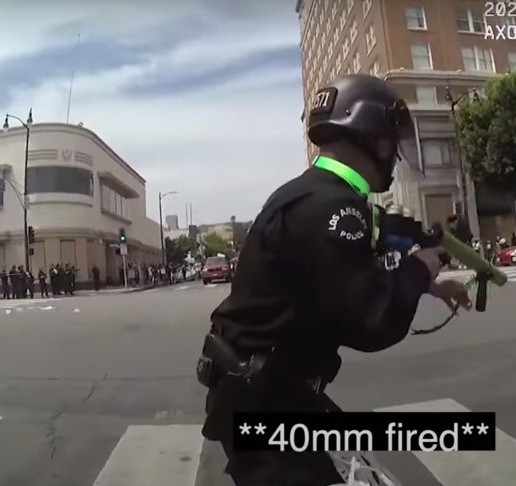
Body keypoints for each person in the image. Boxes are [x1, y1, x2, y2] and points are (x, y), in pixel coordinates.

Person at [200, 74, 472, 485]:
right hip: (266, 402)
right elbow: (372, 321)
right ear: (372, 136)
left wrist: (425, 283)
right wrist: (421, 267)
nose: (395, 153)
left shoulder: (310, 194)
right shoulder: (334, 208)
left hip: (271, 391)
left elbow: (328, 285)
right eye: (392, 139)